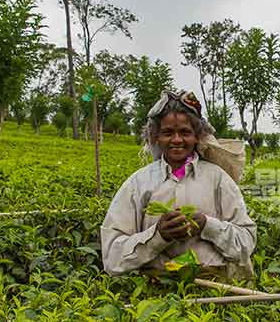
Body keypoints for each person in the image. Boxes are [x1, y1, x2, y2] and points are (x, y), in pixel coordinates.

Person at [100, 90, 256, 280]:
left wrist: (207, 226)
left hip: (215, 289)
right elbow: (112, 257)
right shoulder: (138, 183)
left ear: (197, 136)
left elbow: (246, 242)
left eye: (185, 132)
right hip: (155, 289)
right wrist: (159, 235)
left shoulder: (218, 179)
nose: (176, 140)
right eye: (167, 133)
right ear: (156, 136)